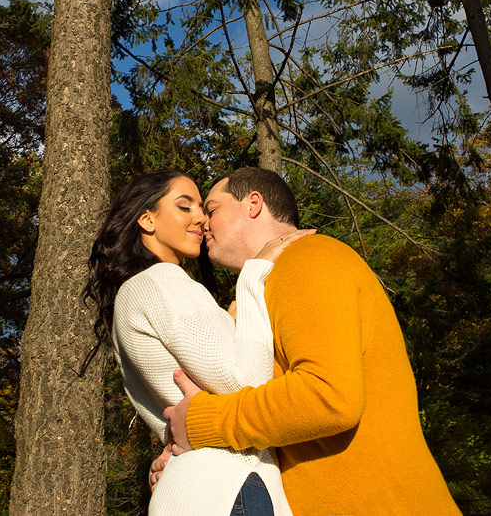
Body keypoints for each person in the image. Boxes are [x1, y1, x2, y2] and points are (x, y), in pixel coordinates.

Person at [161, 167, 461, 516]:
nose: (203, 222)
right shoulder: (261, 293)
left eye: (211, 209)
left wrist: (204, 423)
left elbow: (329, 396)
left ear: (253, 204)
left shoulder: (307, 259)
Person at [84, 170, 304, 515]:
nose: (201, 218)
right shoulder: (160, 281)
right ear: (147, 219)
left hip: (195, 486)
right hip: (229, 484)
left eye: (203, 208)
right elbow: (245, 380)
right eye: (185, 207)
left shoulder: (135, 294)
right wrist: (254, 278)